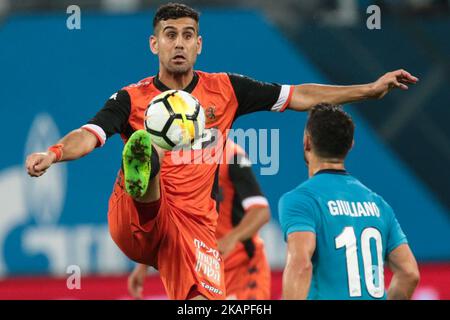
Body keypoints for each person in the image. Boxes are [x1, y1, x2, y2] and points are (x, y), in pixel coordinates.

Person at [25, 3, 418, 300]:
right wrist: (55, 153)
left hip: (194, 230)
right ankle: (145, 167)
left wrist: (367, 89)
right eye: (169, 34)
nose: (178, 43)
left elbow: (300, 95)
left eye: (187, 35)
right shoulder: (131, 99)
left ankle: (149, 167)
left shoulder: (227, 89)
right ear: (154, 43)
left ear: (199, 44)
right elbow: (90, 134)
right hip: (135, 217)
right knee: (147, 162)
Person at [279, 104, 420, 300]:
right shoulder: (378, 205)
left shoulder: (301, 200)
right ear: (350, 145)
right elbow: (409, 273)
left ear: (307, 142)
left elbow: (301, 265)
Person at [128, 139, 271, 300]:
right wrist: (143, 266)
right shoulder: (176, 157)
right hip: (205, 269)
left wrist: (232, 238)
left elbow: (261, 211)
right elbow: (168, 216)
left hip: (242, 268)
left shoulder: (231, 156)